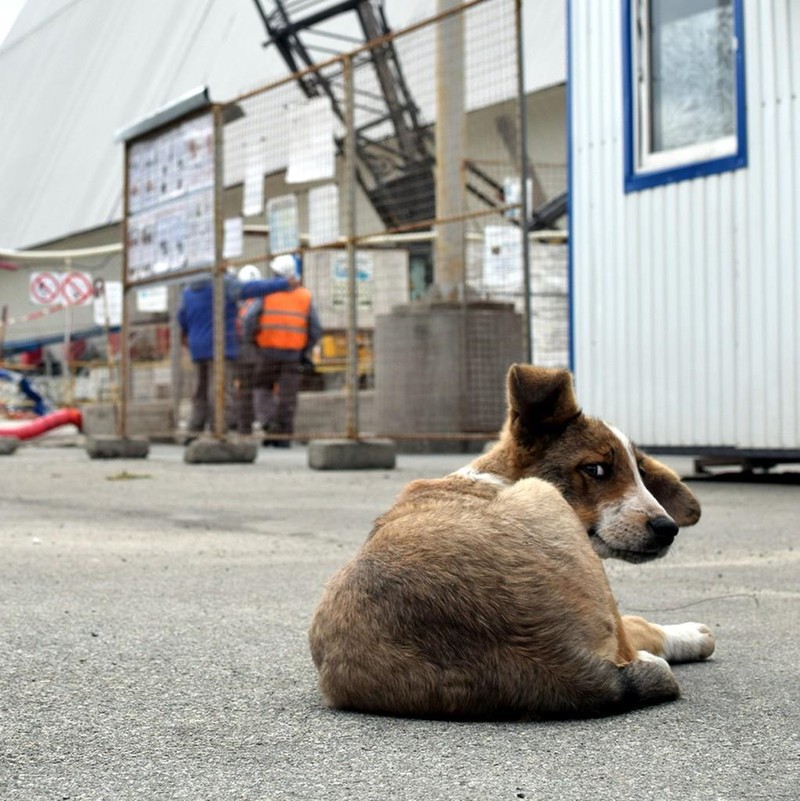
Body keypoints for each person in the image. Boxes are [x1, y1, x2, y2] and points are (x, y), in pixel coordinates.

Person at [177, 267, 295, 441]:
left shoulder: (188, 290)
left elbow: (182, 318)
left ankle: (194, 429)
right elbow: (249, 289)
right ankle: (220, 429)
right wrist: (283, 284)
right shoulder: (222, 283)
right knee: (220, 388)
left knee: (200, 390)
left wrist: (191, 335)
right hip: (221, 345)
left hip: (197, 346)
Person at [244, 254, 321, 447]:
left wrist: (252, 340)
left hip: (267, 351)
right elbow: (315, 327)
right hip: (293, 354)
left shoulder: (267, 293)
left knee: (262, 388)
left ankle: (269, 423)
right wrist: (305, 349)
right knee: (288, 395)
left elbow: (249, 319)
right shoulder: (305, 296)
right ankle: (284, 434)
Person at [233, 264, 263, 436]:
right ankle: (245, 426)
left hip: (242, 351)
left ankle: (242, 426)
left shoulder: (239, 302)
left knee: (243, 390)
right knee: (252, 390)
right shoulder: (261, 300)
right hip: (256, 351)